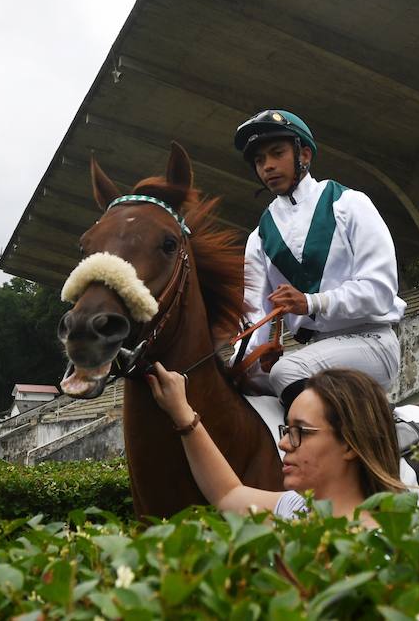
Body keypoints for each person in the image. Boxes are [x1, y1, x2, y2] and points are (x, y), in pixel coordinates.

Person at [233, 110, 404, 406]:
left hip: (371, 342)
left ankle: (354, 446)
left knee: (286, 371)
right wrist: (238, 368)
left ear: (305, 155)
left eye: (277, 153)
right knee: (244, 388)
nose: (268, 166)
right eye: (260, 161)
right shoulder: (258, 238)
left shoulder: (350, 204)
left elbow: (380, 291)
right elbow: (255, 317)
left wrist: (311, 302)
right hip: (316, 351)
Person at [146, 364, 405, 519]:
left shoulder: (378, 544)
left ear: (349, 444)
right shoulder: (296, 508)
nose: (283, 443)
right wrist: (183, 414)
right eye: (286, 429)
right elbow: (227, 493)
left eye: (300, 431)